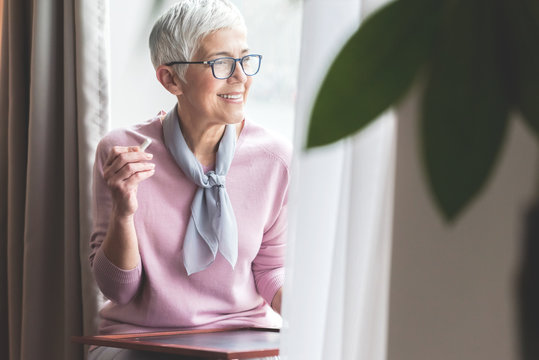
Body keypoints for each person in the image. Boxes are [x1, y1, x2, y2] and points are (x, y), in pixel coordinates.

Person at [88, 0, 291, 359]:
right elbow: (118, 290)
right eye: (222, 63)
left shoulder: (274, 159)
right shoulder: (123, 153)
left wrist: (317, 321)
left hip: (243, 336)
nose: (241, 77)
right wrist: (123, 212)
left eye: (245, 59)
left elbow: (271, 270)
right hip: (143, 339)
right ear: (170, 79)